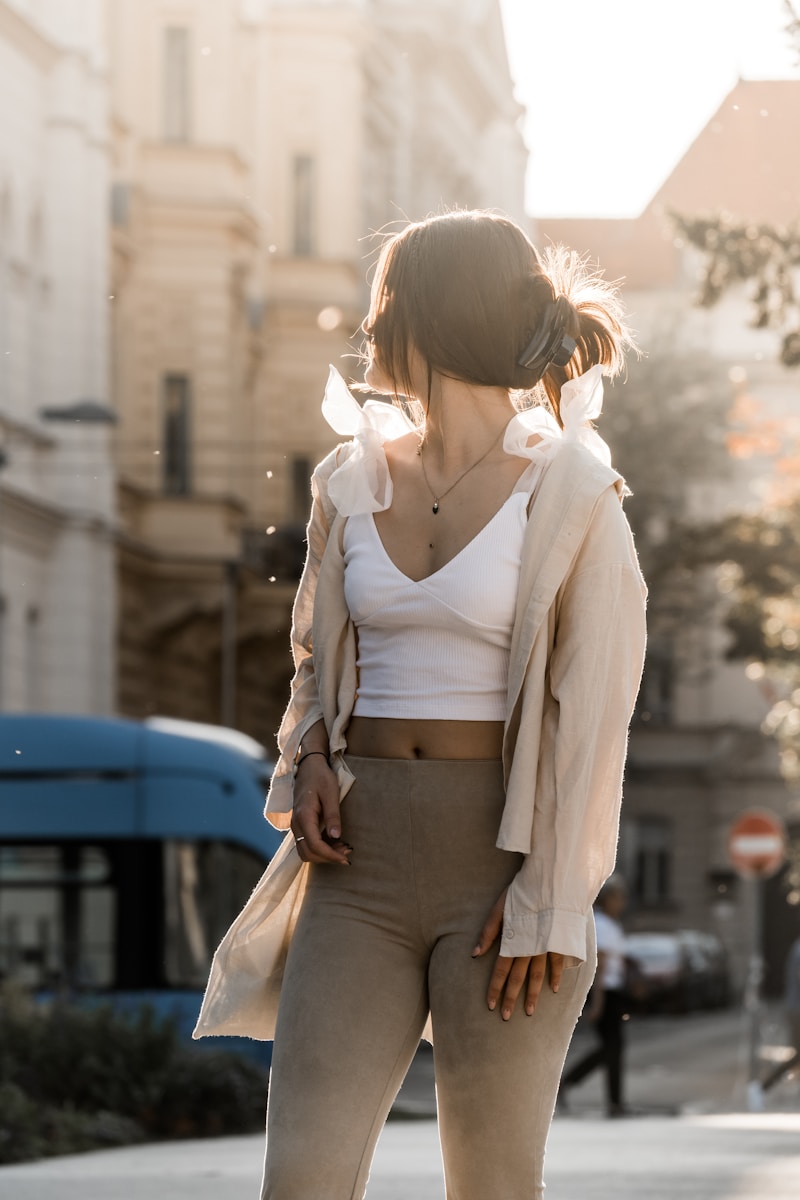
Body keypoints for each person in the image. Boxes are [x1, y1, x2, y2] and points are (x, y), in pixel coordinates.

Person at [194, 209, 647, 1200]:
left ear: (433, 316)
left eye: (386, 300)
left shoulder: (570, 492)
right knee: (302, 1179)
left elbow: (594, 714)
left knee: (488, 1184)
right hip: (356, 863)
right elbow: (315, 651)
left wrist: (547, 899)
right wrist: (309, 754)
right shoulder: (348, 481)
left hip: (502, 863)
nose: (369, 322)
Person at [558, 875, 631, 1117]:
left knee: (614, 1048)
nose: (622, 903)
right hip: (605, 994)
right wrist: (597, 1002)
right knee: (612, 1048)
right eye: (618, 897)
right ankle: (567, 1082)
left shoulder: (612, 924)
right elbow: (599, 966)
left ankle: (615, 1102)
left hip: (613, 992)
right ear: (608, 899)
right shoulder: (601, 924)